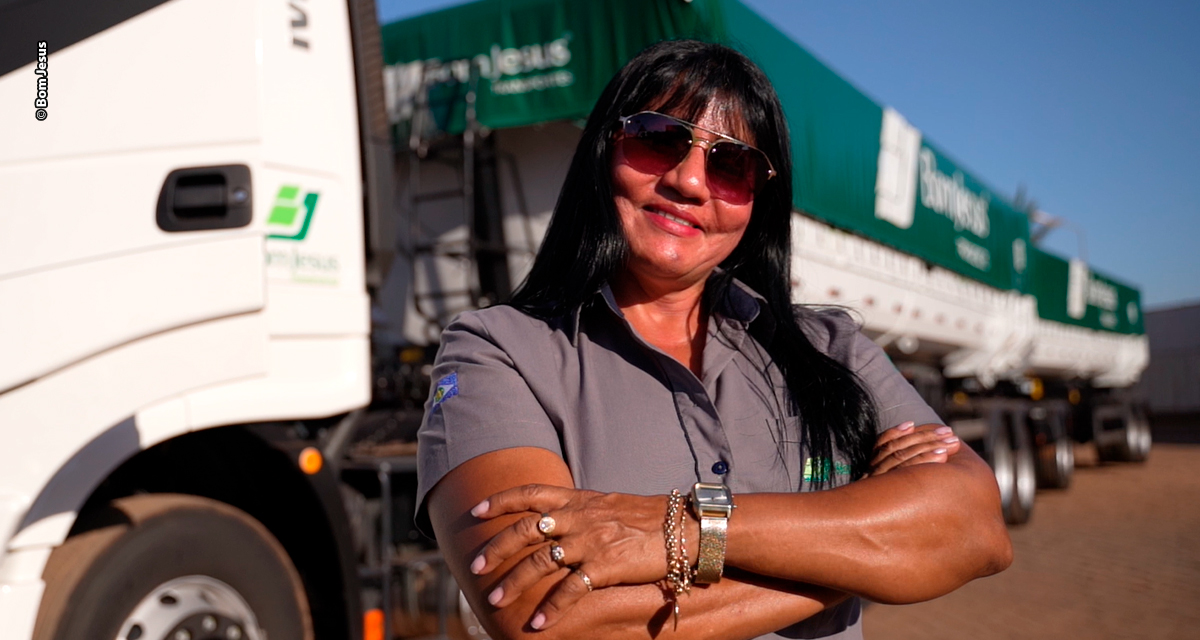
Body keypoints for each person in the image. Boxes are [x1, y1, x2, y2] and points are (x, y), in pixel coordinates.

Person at [417, 39, 1012, 640]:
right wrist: (865, 558)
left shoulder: (832, 349)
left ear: (761, 198)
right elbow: (543, 616)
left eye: (732, 164)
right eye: (657, 138)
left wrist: (676, 527)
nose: (689, 181)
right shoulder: (499, 352)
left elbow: (977, 531)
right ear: (604, 147)